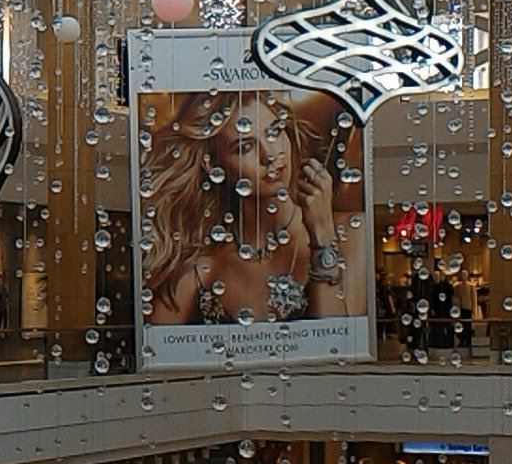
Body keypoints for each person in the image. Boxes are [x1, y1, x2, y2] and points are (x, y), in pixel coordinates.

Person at [139, 89, 363, 326]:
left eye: (275, 132)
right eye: (245, 147)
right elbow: (157, 352)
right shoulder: (200, 266)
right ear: (213, 163)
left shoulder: (353, 233)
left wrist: (322, 234)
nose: (269, 156)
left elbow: (338, 348)